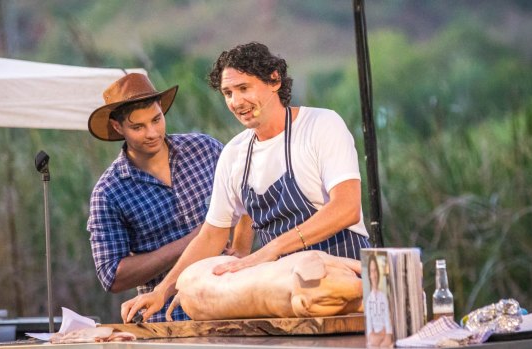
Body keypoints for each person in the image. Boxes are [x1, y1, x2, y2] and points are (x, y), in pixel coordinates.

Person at [121, 42, 370, 323]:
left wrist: (270, 250)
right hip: (287, 298)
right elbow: (212, 235)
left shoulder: (321, 125)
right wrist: (163, 291)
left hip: (348, 286)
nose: (236, 101)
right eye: (228, 93)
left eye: (244, 88)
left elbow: (347, 207)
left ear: (274, 80)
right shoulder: (234, 154)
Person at [86, 73, 224, 322]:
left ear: (162, 110)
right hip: (167, 319)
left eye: (156, 120)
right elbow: (112, 276)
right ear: (118, 127)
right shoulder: (108, 192)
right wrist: (198, 240)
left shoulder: (207, 150)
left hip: (230, 306)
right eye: (138, 127)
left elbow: (246, 205)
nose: (151, 132)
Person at [365, 254, 393, 347]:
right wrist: (377, 336)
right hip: (374, 337)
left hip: (384, 336)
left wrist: (387, 335)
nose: (374, 275)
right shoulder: (368, 300)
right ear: (369, 274)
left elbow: (387, 320)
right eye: (372, 271)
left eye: (375, 270)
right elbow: (369, 325)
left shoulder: (383, 297)